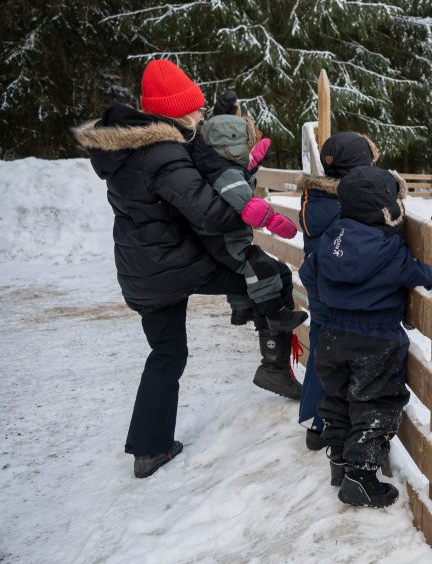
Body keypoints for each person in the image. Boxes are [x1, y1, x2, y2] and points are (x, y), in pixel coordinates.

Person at [70, 59, 292, 478]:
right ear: (172, 113)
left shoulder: (130, 149)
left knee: (166, 352)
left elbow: (197, 168)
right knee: (270, 276)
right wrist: (246, 208)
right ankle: (273, 365)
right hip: (175, 265)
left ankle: (149, 449)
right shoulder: (164, 154)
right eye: (193, 109)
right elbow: (208, 214)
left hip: (142, 269)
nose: (199, 115)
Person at [299, 165, 432, 507]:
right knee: (375, 404)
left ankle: (340, 462)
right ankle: (362, 475)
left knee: (339, 399)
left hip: (331, 335)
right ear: (388, 210)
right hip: (375, 339)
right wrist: (431, 272)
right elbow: (418, 274)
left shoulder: (331, 237)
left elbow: (308, 272)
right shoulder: (390, 247)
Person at [188, 94, 307, 399]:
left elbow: (236, 179)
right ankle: (272, 322)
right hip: (223, 242)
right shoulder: (223, 171)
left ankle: (273, 366)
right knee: (262, 268)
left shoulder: (213, 160)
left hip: (225, 238)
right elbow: (246, 204)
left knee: (278, 273)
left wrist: (250, 167)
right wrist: (276, 221)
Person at [295, 132, 379, 451]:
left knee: (322, 346)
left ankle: (316, 424)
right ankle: (342, 426)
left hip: (319, 288)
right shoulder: (352, 202)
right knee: (345, 355)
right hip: (343, 293)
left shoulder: (315, 199)